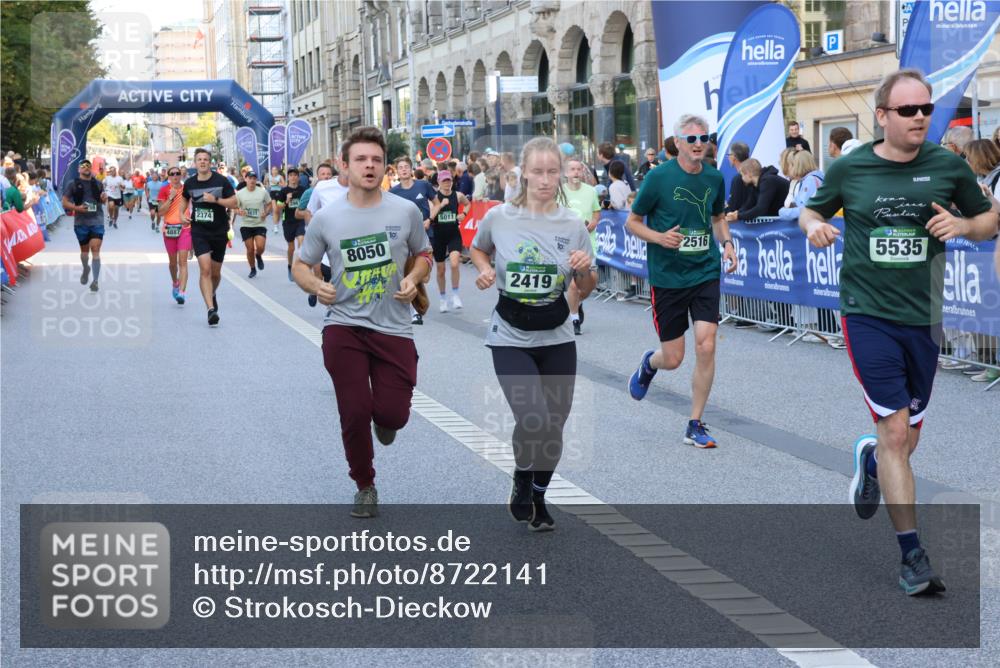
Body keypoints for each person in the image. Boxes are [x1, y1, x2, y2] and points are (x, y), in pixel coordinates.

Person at [800, 68, 997, 595]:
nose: (919, 118)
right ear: (882, 115)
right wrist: (816, 225)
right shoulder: (850, 166)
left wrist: (963, 226)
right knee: (895, 431)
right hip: (867, 313)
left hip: (925, 316)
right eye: (907, 110)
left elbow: (990, 220)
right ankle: (912, 555)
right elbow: (810, 210)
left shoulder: (947, 167)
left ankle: (870, 460)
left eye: (926, 109)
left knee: (905, 439)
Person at [293, 126, 432, 519]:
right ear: (344, 165)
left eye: (376, 159)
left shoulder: (405, 212)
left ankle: (385, 422)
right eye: (360, 159)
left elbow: (424, 254)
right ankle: (364, 484)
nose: (369, 166)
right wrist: (316, 284)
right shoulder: (327, 218)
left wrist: (414, 277)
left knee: (393, 415)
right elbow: (301, 265)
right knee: (354, 411)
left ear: (385, 166)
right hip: (344, 327)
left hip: (394, 328)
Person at [470, 137, 595, 531]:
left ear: (562, 173)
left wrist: (582, 269)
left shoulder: (572, 223)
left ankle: (538, 493)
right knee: (535, 418)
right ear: (523, 172)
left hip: (556, 334)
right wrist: (484, 270)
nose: (544, 179)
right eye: (537, 171)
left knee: (554, 425)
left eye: (552, 171)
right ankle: (523, 472)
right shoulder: (500, 216)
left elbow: (588, 285)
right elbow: (478, 249)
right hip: (509, 334)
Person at [625, 114, 738, 449]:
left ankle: (695, 423)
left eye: (704, 137)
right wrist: (659, 238)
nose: (699, 143)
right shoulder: (659, 177)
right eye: (692, 139)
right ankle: (650, 362)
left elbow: (717, 217)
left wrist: (728, 243)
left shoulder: (715, 178)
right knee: (673, 358)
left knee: (707, 343)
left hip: (704, 270)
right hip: (668, 275)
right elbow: (633, 221)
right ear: (677, 144)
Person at [181, 148, 238, 326]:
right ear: (195, 163)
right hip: (199, 231)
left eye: (206, 159)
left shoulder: (221, 181)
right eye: (199, 159)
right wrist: (182, 214)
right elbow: (184, 199)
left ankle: (211, 293)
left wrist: (216, 201)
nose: (203, 162)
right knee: (204, 269)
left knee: (215, 273)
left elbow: (235, 202)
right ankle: (210, 309)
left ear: (210, 162)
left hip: (219, 231)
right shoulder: (190, 183)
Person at [390, 156, 437, 324]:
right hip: (403, 237)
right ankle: (413, 310)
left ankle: (417, 301)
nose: (403, 169)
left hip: (423, 234)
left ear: (411, 170)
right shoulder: (393, 192)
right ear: (397, 171)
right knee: (406, 270)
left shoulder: (423, 185)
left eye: (406, 167)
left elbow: (437, 203)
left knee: (423, 275)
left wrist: (429, 219)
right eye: (400, 167)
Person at [561, 157, 601, 335]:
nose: (576, 172)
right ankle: (574, 319)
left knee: (590, 284)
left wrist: (593, 223)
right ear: (566, 173)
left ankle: (577, 303)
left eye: (578, 169)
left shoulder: (591, 191)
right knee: (573, 286)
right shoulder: (559, 191)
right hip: (566, 244)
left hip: (587, 244)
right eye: (572, 169)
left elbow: (596, 213)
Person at [60, 159, 107, 292]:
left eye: (88, 166)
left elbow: (102, 200)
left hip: (97, 220)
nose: (86, 168)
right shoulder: (73, 184)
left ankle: (95, 281)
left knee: (95, 248)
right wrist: (78, 208)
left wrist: (104, 199)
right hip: (81, 222)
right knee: (85, 252)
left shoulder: (98, 183)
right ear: (79, 169)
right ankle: (86, 268)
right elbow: (64, 203)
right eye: (83, 166)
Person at [428, 169, 469, 313]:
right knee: (440, 270)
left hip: (453, 234)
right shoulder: (434, 198)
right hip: (438, 235)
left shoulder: (458, 195)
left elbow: (468, 204)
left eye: (449, 181)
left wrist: (463, 213)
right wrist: (440, 205)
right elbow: (430, 215)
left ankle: (456, 295)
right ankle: (443, 298)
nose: (447, 183)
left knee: (454, 263)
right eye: (444, 181)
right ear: (438, 182)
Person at [159, 166, 192, 304]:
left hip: (185, 228)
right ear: (168, 176)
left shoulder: (187, 189)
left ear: (181, 175)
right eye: (172, 174)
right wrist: (171, 198)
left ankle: (182, 293)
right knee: (173, 263)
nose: (175, 176)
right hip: (170, 229)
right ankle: (175, 283)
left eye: (177, 173)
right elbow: (160, 212)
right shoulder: (164, 190)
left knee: (182, 262)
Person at [725, 159, 790, 221]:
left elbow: (760, 209)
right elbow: (749, 204)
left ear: (748, 174)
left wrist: (738, 216)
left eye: (742, 175)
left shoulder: (768, 181)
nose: (741, 178)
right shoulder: (755, 184)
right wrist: (737, 213)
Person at [235, 171, 272, 278]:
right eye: (250, 178)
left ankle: (258, 255)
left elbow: (269, 204)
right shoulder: (240, 193)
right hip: (246, 224)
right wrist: (239, 212)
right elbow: (235, 207)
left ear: (256, 180)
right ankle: (252, 268)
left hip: (259, 223)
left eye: (254, 178)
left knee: (260, 246)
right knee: (250, 249)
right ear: (245, 179)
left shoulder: (262, 192)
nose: (252, 180)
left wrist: (266, 212)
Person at [277, 168, 307, 282]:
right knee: (291, 247)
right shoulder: (284, 191)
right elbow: (279, 208)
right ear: (288, 177)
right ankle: (290, 266)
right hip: (288, 222)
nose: (293, 177)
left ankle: (299, 267)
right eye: (291, 175)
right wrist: (287, 200)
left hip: (300, 220)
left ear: (298, 177)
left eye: (295, 175)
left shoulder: (303, 190)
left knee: (301, 241)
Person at [265, 166, 285, 232]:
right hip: (272, 193)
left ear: (277, 171)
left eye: (275, 170)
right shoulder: (269, 176)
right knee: (275, 209)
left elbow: (284, 185)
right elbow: (265, 182)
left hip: (279, 193)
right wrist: (267, 184)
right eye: (272, 170)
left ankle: (276, 224)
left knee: (278, 211)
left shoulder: (280, 177)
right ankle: (275, 226)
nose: (274, 171)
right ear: (271, 171)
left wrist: (277, 183)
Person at [147, 168, 166, 232]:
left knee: (158, 215)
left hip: (159, 201)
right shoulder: (149, 183)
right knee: (152, 213)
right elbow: (146, 189)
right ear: (151, 176)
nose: (154, 177)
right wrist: (147, 194)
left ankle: (157, 226)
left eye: (156, 176)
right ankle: (153, 222)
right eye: (153, 176)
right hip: (151, 200)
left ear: (158, 176)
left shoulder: (161, 184)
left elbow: (163, 192)